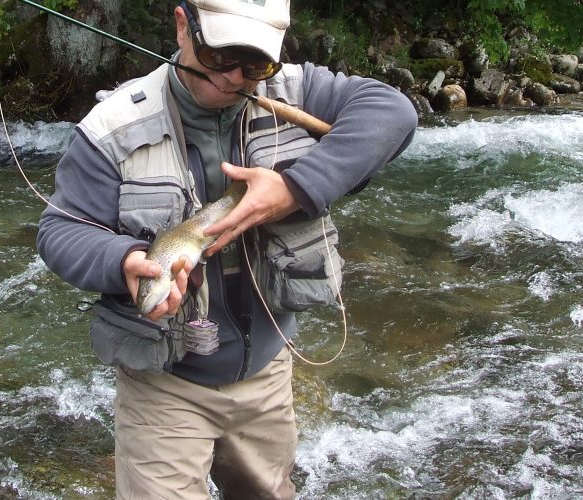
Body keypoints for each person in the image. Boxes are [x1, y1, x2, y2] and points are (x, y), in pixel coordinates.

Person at [37, 0, 418, 497]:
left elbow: (395, 113)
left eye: (255, 63)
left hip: (268, 374)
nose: (236, 76)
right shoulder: (112, 127)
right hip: (163, 385)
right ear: (182, 27)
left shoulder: (298, 91)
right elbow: (59, 231)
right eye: (221, 56)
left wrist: (294, 189)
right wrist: (121, 261)